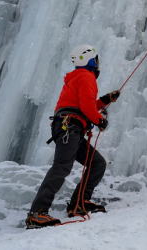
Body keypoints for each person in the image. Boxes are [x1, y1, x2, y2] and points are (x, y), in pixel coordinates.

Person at [25, 45, 120, 229]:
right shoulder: (86, 76)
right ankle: (37, 213)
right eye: (96, 60)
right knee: (61, 167)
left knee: (96, 163)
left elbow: (86, 104)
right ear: (90, 60)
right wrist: (100, 120)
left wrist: (105, 100)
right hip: (70, 127)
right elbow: (86, 107)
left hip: (70, 127)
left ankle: (79, 203)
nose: (98, 64)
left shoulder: (79, 77)